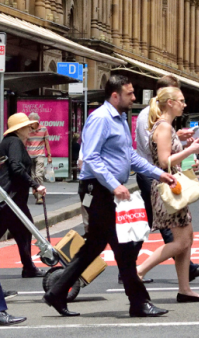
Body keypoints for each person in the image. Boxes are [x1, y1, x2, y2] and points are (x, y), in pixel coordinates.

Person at [44, 74, 177, 318]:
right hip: (98, 190)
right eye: (130, 93)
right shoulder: (101, 118)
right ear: (115, 95)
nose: (134, 97)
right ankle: (139, 302)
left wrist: (159, 174)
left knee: (94, 245)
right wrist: (115, 185)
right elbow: (92, 157)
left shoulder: (120, 120)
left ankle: (57, 292)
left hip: (105, 190)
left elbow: (130, 156)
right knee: (125, 245)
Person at [134, 74, 199, 284]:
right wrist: (190, 151)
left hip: (171, 183)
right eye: (181, 100)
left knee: (186, 239)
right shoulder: (162, 126)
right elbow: (163, 161)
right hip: (165, 185)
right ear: (169, 102)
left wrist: (187, 153)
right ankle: (137, 272)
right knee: (179, 241)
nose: (184, 104)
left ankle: (184, 289)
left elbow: (169, 156)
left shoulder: (166, 126)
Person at [0, 113, 48, 277]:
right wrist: (35, 184)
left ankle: (28, 267)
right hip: (10, 200)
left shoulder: (9, 142)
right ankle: (28, 267)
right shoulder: (14, 142)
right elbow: (16, 167)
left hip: (14, 200)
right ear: (19, 129)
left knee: (25, 231)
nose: (30, 129)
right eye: (28, 126)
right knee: (22, 230)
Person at [23, 114, 50, 186]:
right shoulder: (27, 130)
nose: (30, 124)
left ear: (36, 122)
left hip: (40, 155)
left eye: (31, 122)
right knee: (33, 177)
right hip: (30, 156)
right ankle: (37, 193)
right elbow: (25, 143)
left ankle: (40, 195)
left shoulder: (43, 129)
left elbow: (47, 143)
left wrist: (49, 155)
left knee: (38, 175)